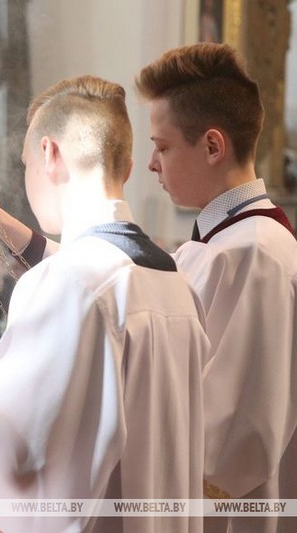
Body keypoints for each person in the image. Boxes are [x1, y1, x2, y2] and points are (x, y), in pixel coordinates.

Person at [0, 76, 209, 532]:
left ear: (49, 153)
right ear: (125, 168)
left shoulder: (66, 282)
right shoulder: (171, 279)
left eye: (26, 164)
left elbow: (18, 459)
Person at [136, 43, 297, 533]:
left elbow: (227, 438)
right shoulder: (224, 243)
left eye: (162, 146)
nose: (151, 163)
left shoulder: (254, 254)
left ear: (212, 146)